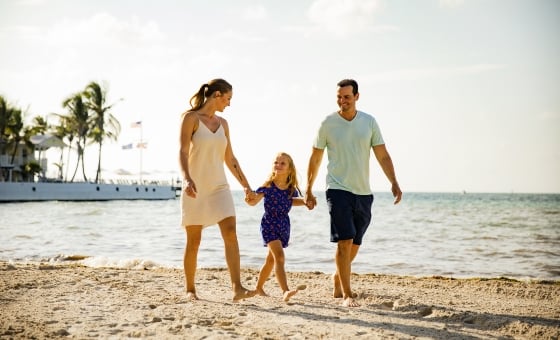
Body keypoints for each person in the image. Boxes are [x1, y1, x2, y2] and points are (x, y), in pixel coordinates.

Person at [304, 79, 402, 307]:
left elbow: (382, 155)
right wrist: (308, 188)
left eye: (347, 97)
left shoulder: (369, 122)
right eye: (339, 97)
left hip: (364, 193)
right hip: (337, 189)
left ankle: (338, 277)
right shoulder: (327, 123)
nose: (342, 101)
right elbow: (315, 157)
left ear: (357, 96)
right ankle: (347, 294)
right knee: (344, 241)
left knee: (355, 241)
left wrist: (394, 181)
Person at [179, 78, 255, 301]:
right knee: (194, 240)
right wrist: (186, 179)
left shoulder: (223, 124)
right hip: (195, 186)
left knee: (230, 231)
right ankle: (190, 289)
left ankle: (237, 288)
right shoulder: (191, 118)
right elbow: (183, 152)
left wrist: (246, 186)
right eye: (228, 99)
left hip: (219, 186)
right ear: (217, 95)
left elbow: (229, 158)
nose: (229, 104)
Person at [245, 152, 308, 302]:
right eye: (276, 163)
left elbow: (292, 201)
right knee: (279, 257)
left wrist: (306, 202)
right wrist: (249, 200)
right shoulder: (267, 186)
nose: (278, 165)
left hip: (284, 225)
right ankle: (285, 291)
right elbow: (254, 202)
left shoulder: (291, 188)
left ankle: (259, 288)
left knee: (271, 260)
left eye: (282, 163)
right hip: (269, 224)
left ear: (290, 169)